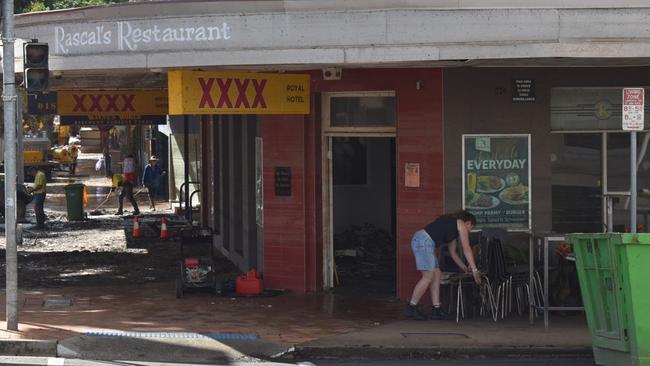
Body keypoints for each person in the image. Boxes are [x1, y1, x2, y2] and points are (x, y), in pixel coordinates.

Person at [405, 210, 482, 320]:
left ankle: (436, 309)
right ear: (468, 223)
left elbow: (453, 253)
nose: (470, 230)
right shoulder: (460, 223)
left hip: (424, 242)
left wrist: (465, 268)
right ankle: (411, 307)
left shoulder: (453, 230)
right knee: (428, 277)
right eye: (471, 227)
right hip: (424, 241)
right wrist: (474, 270)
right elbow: (466, 248)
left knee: (437, 274)